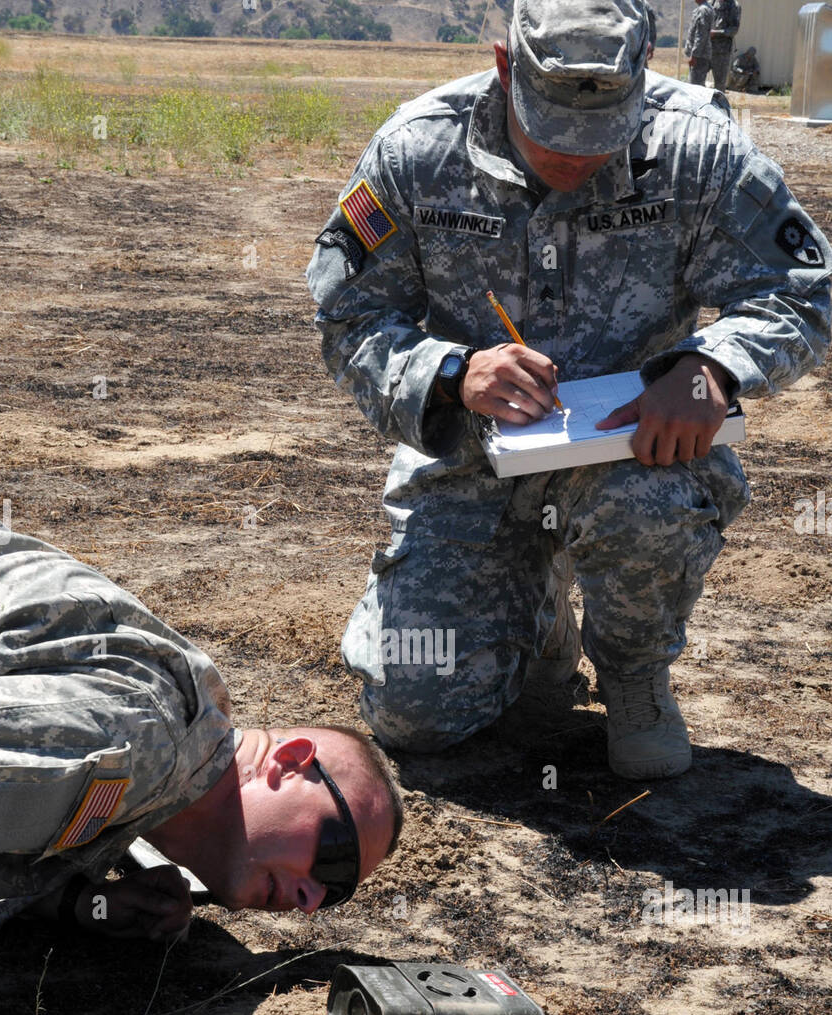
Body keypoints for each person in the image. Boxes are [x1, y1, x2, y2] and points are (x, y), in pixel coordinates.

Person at [307, 0, 830, 782]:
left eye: (600, 131)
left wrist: (710, 368)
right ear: (502, 67)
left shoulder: (697, 145)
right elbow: (346, 314)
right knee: (416, 715)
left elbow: (802, 289)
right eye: (551, 128)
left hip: (640, 454)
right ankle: (539, 614)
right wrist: (452, 372)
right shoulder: (419, 150)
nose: (575, 157)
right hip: (471, 463)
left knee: (646, 507)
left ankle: (633, 673)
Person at [0, 505, 402, 1015]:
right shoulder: (145, 740)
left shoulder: (168, 765)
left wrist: (70, 900)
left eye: (336, 891)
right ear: (289, 763)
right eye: (334, 855)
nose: (312, 901)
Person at [710, 0, 741, 93]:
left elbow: (734, 29)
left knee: (719, 84)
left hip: (722, 51)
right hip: (706, 48)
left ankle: (718, 106)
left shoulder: (734, 6)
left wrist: (716, 33)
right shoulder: (711, 3)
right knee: (697, 81)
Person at [684, 0, 713, 86]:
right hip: (701, 55)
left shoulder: (703, 10)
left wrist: (695, 55)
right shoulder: (705, 8)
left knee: (695, 87)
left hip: (700, 57)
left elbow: (701, 34)